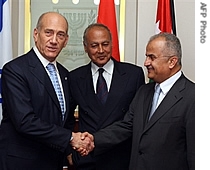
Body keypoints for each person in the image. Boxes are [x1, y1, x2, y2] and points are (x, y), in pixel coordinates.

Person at [80, 32, 195, 170]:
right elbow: (126, 126)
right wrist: (93, 139)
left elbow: (196, 154)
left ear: (172, 61)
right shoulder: (144, 92)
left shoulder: (194, 96)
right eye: (146, 57)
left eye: (152, 57)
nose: (146, 63)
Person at [0, 12, 92, 170]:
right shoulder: (15, 70)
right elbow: (25, 122)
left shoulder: (64, 75)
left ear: (66, 41)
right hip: (22, 163)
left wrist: (72, 146)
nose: (54, 40)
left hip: (53, 161)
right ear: (36, 34)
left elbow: (66, 118)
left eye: (60, 35)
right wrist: (71, 138)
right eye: (48, 32)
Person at [67, 23, 145, 170]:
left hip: (121, 158)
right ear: (85, 47)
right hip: (86, 158)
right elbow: (67, 118)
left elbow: (137, 119)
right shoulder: (75, 77)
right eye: (94, 45)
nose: (101, 50)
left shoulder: (133, 75)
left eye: (105, 44)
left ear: (112, 44)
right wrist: (69, 150)